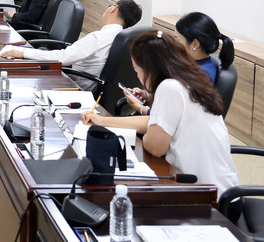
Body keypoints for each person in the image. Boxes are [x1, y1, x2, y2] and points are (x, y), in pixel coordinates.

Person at [81, 31, 239, 195]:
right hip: (221, 186)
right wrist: (102, 120)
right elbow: (153, 121)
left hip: (207, 194)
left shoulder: (170, 88)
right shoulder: (188, 78)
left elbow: (155, 147)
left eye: (137, 71)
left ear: (150, 69)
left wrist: (150, 132)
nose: (138, 77)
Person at [0, 0, 142, 91]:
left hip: (76, 85)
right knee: (40, 52)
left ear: (114, 8)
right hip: (92, 85)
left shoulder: (99, 38)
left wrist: (23, 53)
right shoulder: (124, 38)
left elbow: (63, 58)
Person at [127, 12, 235, 115]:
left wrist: (140, 108)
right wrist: (148, 95)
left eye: (177, 38)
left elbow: (173, 116)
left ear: (195, 44)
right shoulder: (194, 65)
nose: (173, 42)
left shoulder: (200, 75)